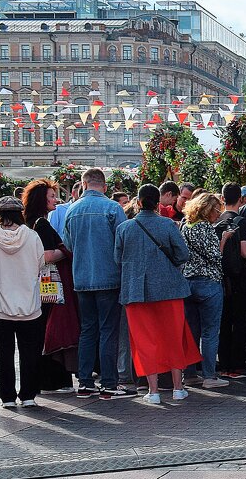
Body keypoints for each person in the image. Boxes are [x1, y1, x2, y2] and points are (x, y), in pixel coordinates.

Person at [114, 184, 202, 404]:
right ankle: (177, 388)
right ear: (159, 202)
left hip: (136, 291)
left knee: (145, 340)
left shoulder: (124, 228)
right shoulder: (167, 225)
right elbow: (183, 254)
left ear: (139, 201)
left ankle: (153, 391)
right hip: (169, 288)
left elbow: (118, 260)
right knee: (173, 337)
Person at [63, 168, 134, 399]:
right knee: (108, 332)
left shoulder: (72, 210)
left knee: (87, 331)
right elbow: (123, 244)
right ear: (103, 186)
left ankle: (84, 383)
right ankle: (109, 383)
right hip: (109, 278)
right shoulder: (113, 208)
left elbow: (69, 245)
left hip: (82, 279)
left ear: (84, 184)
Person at [0, 197, 46, 408]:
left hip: (0, 305)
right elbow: (39, 264)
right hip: (29, 305)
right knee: (29, 352)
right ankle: (28, 395)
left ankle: (7, 397)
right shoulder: (32, 236)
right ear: (20, 213)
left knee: (4, 352)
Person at [22, 180, 76, 393]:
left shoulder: (30, 222)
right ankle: (53, 380)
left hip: (35, 283)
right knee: (50, 329)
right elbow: (46, 256)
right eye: (51, 196)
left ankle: (44, 380)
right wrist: (66, 250)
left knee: (41, 330)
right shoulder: (42, 224)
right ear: (41, 200)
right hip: (48, 285)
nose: (56, 200)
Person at [180, 192, 230, 390]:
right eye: (217, 210)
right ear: (208, 209)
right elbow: (215, 256)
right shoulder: (205, 227)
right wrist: (224, 239)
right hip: (208, 282)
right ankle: (209, 375)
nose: (219, 214)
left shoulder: (186, 225)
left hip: (188, 281)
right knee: (210, 331)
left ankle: (190, 374)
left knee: (191, 331)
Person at [215, 183, 246, 377]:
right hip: (241, 278)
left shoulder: (217, 221)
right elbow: (244, 251)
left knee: (225, 321)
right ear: (240, 199)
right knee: (241, 321)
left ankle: (224, 363)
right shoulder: (241, 221)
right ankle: (238, 363)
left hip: (223, 278)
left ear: (223, 199)